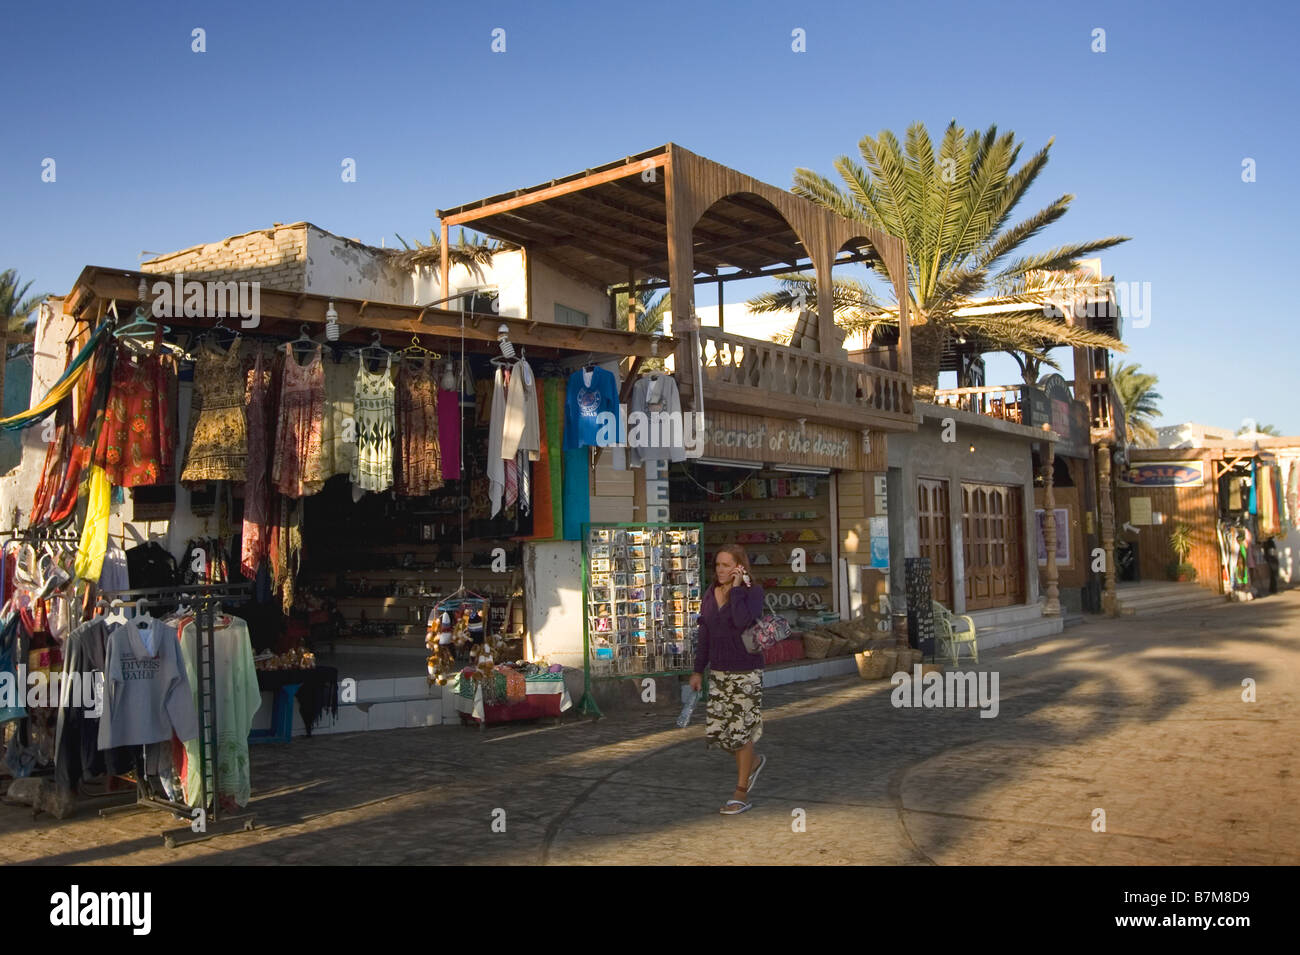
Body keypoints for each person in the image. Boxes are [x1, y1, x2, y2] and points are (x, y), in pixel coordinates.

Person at [689, 544, 767, 814]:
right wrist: (699, 670)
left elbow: (742, 621)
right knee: (720, 734)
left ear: (739, 566)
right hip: (719, 671)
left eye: (727, 565)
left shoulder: (752, 593)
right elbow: (706, 635)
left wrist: (735, 589)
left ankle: (740, 792)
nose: (721, 570)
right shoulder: (710, 594)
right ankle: (753, 762)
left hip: (746, 671)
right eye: (718, 565)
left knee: (740, 732)